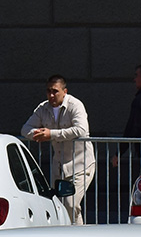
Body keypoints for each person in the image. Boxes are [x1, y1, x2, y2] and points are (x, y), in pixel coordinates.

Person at [21, 75, 95, 224]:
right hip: (59, 166)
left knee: (71, 204)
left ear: (65, 91)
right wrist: (40, 135)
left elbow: (81, 130)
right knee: (59, 207)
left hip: (80, 165)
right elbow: (25, 129)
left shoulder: (75, 105)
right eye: (48, 91)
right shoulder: (43, 108)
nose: (51, 95)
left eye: (55, 91)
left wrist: (51, 134)